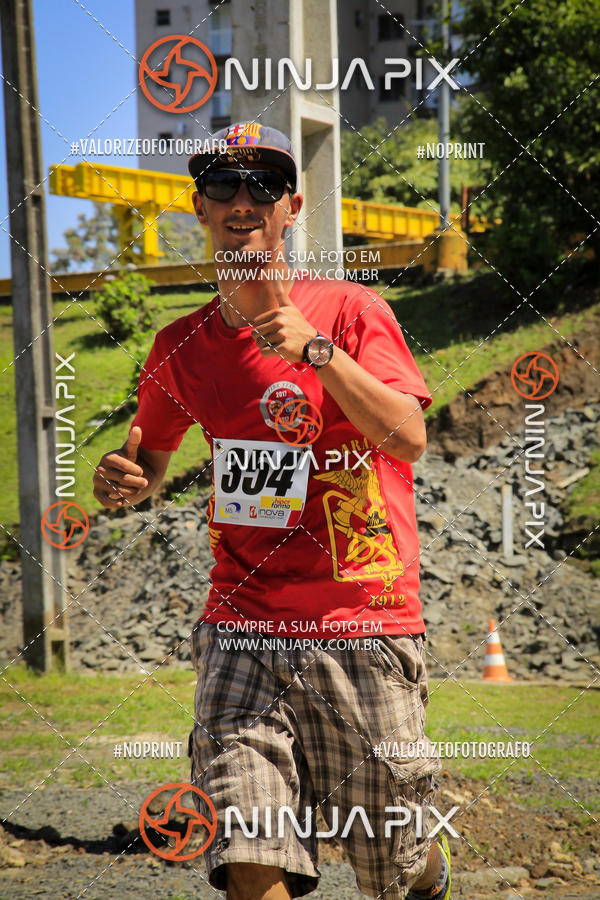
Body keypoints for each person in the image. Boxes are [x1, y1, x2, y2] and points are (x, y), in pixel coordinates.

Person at [93, 122, 451, 900]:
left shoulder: (351, 309)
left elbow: (410, 437)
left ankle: (427, 866)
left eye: (263, 184)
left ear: (292, 206)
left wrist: (317, 352)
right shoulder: (180, 345)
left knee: (393, 862)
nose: (243, 199)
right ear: (201, 206)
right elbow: (150, 461)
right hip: (241, 626)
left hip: (360, 623)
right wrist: (125, 479)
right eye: (223, 183)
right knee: (249, 850)